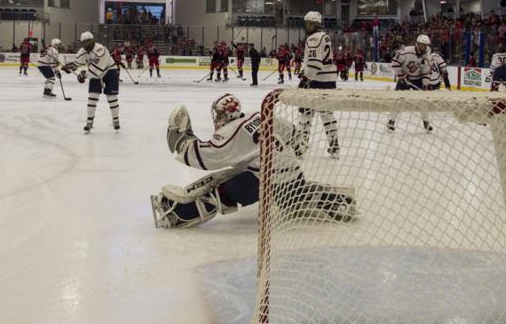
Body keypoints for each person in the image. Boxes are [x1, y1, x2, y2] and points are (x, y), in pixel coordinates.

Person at [150, 93, 355, 229]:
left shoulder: (230, 132)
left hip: (264, 178)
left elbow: (204, 155)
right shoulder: (257, 115)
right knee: (290, 197)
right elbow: (291, 131)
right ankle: (337, 200)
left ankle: (178, 214)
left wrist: (181, 137)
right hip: (292, 169)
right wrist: (297, 146)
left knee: (221, 192)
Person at [296, 11, 340, 156]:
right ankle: (334, 147)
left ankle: (301, 146)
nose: (307, 25)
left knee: (305, 114)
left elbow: (315, 64)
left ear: (315, 24)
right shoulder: (324, 36)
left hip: (316, 80)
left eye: (309, 23)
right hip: (329, 80)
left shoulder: (313, 38)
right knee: (327, 114)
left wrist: (305, 78)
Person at [63, 31, 120, 133]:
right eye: (84, 42)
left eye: (88, 42)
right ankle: (89, 122)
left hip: (109, 71)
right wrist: (70, 67)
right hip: (95, 74)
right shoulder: (82, 51)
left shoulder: (100, 49)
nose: (86, 44)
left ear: (93, 40)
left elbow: (98, 69)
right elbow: (77, 63)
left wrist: (84, 75)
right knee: (92, 98)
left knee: (112, 98)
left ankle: (116, 120)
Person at [388, 34, 432, 132]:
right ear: (417, 43)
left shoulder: (427, 57)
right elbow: (395, 62)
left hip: (418, 79)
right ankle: (391, 122)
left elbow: (426, 72)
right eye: (421, 44)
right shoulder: (406, 51)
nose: (423, 47)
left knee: (423, 102)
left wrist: (425, 84)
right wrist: (401, 75)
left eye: (425, 45)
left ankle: (426, 123)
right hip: (404, 79)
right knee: (398, 101)